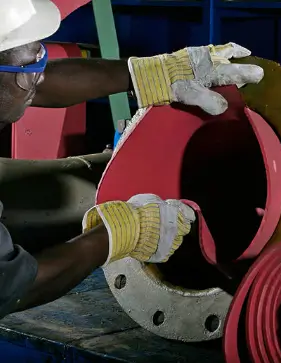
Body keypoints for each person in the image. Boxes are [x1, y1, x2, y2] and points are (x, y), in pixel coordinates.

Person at [0, 0, 264, 318]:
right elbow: (14, 287)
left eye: (42, 56)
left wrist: (153, 73)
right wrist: (117, 235)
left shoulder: (13, 80)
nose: (40, 75)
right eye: (30, 66)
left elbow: (40, 83)